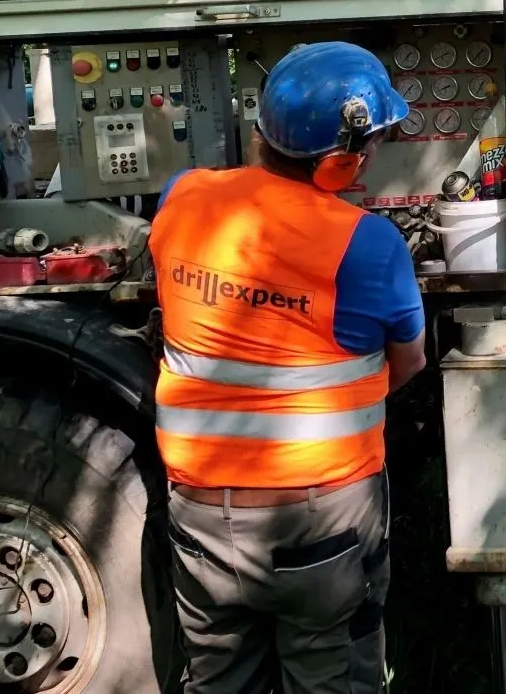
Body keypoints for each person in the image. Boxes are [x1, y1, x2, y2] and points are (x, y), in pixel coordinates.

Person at [150, 41, 428, 693]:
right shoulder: (370, 245)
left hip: (200, 517)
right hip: (319, 525)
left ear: (261, 130)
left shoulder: (181, 195)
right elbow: (409, 361)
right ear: (343, 160)